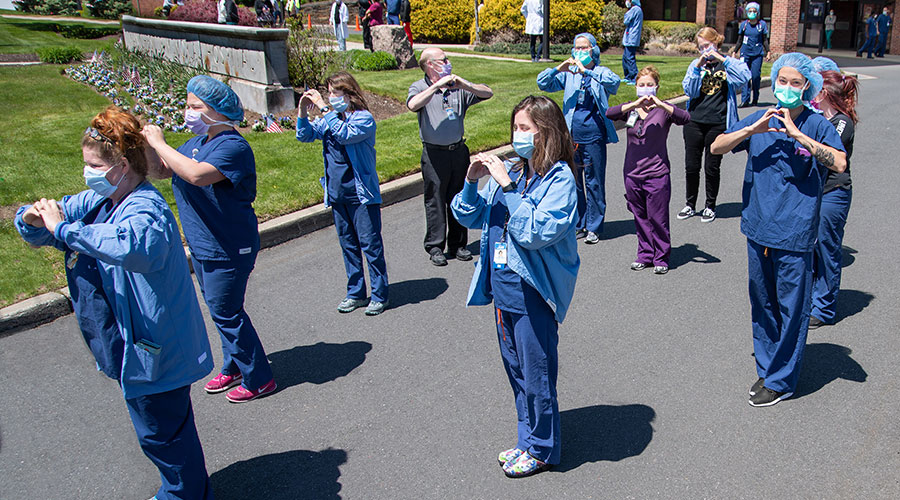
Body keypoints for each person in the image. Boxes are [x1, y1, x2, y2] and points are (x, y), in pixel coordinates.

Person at [15, 107, 216, 499]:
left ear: (122, 165)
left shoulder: (147, 210)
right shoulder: (98, 200)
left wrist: (64, 229)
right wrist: (34, 216)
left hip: (156, 348)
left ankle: (184, 494)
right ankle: (187, 489)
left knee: (162, 436)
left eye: (93, 165)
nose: (86, 172)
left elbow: (129, 247)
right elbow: (44, 223)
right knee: (166, 431)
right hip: (136, 345)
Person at [451, 95, 580, 478]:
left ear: (546, 132)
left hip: (533, 294)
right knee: (516, 371)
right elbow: (468, 214)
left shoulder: (559, 180)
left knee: (537, 374)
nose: (516, 135)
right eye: (515, 127)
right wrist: (473, 183)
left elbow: (537, 231)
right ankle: (527, 440)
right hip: (503, 291)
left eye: (525, 128)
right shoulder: (515, 171)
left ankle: (541, 449)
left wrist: (506, 188)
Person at [710, 53, 847, 407]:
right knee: (763, 302)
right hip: (758, 227)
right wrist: (751, 129)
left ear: (807, 88)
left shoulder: (816, 125)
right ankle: (767, 365)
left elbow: (840, 162)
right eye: (782, 81)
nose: (786, 88)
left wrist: (797, 134)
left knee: (792, 305)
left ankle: (782, 379)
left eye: (795, 83)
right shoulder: (761, 119)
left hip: (795, 232)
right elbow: (717, 146)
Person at [142, 76, 277, 404]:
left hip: (229, 246)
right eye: (188, 105)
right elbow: (164, 170)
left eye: (195, 107)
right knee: (220, 311)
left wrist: (160, 143)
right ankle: (233, 365)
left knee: (226, 311)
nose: (188, 112)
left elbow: (196, 175)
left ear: (217, 110)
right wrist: (142, 142)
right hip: (204, 244)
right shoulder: (195, 144)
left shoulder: (233, 146)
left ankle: (259, 378)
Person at [296, 72, 389, 316]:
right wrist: (303, 112)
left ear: (349, 94)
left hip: (361, 195)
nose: (329, 97)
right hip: (337, 195)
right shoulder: (331, 118)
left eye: (334, 93)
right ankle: (356, 293)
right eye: (328, 93)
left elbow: (345, 135)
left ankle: (379, 295)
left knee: (370, 246)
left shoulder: (364, 119)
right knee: (348, 246)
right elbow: (304, 135)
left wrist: (324, 109)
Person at [407, 48, 493, 266]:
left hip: (458, 151)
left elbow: (487, 92)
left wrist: (464, 85)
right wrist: (435, 87)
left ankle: (458, 244)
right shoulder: (420, 87)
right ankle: (436, 246)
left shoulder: (457, 88)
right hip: (434, 154)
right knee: (435, 200)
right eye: (443, 60)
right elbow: (412, 105)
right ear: (430, 65)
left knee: (459, 197)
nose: (448, 62)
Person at [537, 33, 620, 244]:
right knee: (574, 182)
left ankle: (594, 226)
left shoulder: (600, 72)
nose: (580, 52)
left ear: (593, 50)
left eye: (584, 48)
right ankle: (579, 223)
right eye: (577, 48)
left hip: (594, 135)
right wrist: (559, 68)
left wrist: (587, 72)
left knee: (594, 182)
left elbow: (614, 83)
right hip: (571, 136)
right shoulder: (569, 75)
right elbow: (543, 83)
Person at [606, 66, 690, 274]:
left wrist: (661, 103)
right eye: (641, 85)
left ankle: (661, 256)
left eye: (649, 85)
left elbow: (685, 118)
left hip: (657, 173)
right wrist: (634, 104)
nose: (645, 89)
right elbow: (609, 113)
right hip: (632, 174)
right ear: (635, 87)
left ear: (657, 87)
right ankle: (645, 254)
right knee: (640, 216)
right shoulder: (631, 110)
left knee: (658, 217)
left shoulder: (664, 111)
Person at [679, 27, 750, 223]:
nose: (705, 50)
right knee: (691, 166)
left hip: (718, 123)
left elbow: (744, 78)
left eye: (708, 45)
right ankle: (690, 204)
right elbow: (690, 90)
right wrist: (697, 67)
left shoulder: (728, 65)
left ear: (716, 43)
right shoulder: (696, 65)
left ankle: (710, 205)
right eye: (701, 47)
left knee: (712, 167)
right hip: (694, 121)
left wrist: (722, 59)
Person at [809, 69, 859, 329]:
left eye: (814, 89)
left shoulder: (842, 122)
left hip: (833, 192)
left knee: (827, 249)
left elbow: (827, 153)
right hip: (815, 192)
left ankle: (824, 309)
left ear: (825, 92)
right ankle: (811, 299)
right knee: (812, 249)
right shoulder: (821, 119)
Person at [731, 2, 771, 108]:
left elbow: (765, 40)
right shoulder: (744, 25)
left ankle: (755, 98)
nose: (752, 13)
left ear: (757, 12)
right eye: (750, 11)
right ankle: (745, 99)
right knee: (745, 76)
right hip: (745, 53)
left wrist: (768, 52)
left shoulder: (761, 25)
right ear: (747, 12)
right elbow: (739, 40)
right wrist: (735, 51)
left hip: (757, 54)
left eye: (754, 11)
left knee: (755, 76)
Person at [621, 0, 644, 85]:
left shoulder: (635, 9)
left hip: (631, 37)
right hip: (631, 37)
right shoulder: (638, 10)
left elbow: (626, 21)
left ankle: (634, 78)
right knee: (625, 58)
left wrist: (627, 12)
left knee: (629, 58)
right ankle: (628, 76)